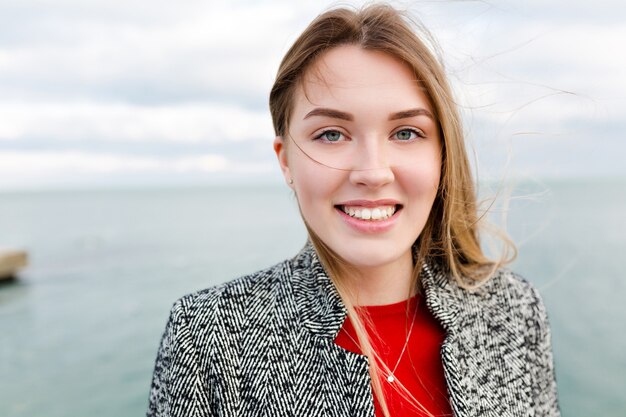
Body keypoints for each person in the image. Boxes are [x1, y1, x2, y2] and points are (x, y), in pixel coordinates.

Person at [146, 4, 560, 417]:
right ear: (286, 160)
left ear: (442, 156)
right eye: (331, 134)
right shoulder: (205, 338)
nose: (373, 172)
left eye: (405, 132)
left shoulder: (515, 309)